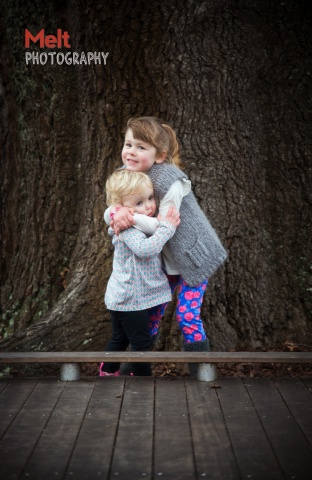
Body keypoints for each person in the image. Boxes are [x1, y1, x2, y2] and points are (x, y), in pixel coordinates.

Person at [104, 116, 227, 375]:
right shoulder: (126, 176)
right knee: (150, 313)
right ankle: (137, 366)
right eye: (128, 144)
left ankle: (201, 369)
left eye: (141, 147)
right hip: (164, 265)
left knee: (187, 315)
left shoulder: (171, 180)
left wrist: (129, 217)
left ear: (159, 156)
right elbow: (113, 202)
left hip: (193, 259)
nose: (131, 152)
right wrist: (114, 213)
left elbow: (162, 225)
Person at [100, 168, 180, 377]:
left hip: (123, 296)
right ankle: (143, 382)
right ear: (120, 207)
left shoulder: (139, 224)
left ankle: (107, 372)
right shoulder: (128, 229)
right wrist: (166, 229)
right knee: (140, 343)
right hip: (129, 299)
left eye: (150, 198)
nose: (148, 206)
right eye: (138, 203)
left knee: (120, 339)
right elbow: (146, 250)